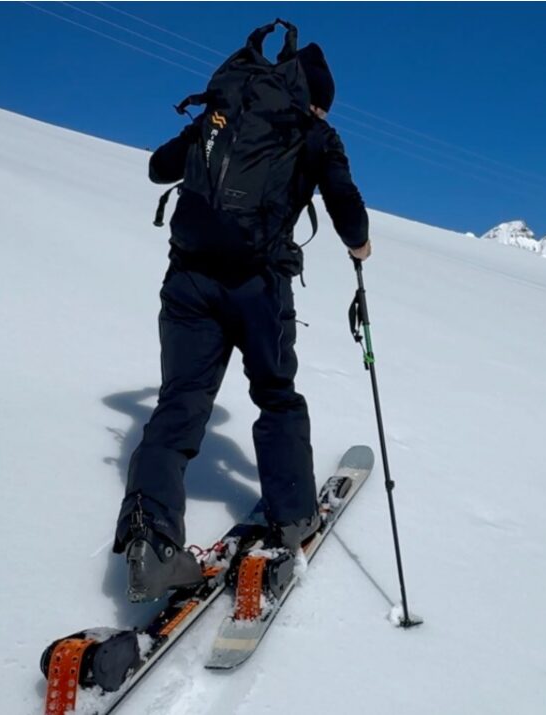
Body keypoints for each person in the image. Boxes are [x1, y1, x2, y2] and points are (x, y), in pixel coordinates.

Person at [114, 41, 372, 603]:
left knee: (178, 405)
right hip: (258, 285)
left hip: (188, 281)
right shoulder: (315, 133)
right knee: (276, 395)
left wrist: (208, 136)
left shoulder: (222, 113)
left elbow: (160, 168)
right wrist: (360, 246)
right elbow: (345, 203)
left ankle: (150, 541)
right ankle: (294, 517)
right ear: (318, 101)